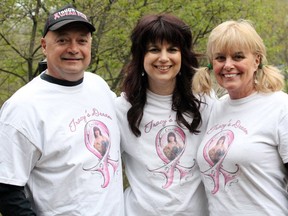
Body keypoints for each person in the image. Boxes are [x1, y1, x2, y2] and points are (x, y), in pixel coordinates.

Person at [0, 5, 124, 216]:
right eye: (63, 40)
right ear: (44, 46)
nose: (74, 48)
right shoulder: (22, 108)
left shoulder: (99, 86)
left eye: (82, 41)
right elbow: (6, 189)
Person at [115, 13, 214, 215]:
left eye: (172, 49)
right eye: (154, 50)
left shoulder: (205, 101)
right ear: (141, 56)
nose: (163, 58)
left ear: (183, 55)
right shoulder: (122, 108)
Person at [193, 19, 288, 215]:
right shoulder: (215, 109)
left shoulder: (280, 106)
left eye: (238, 57)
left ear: (256, 60)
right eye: (220, 58)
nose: (228, 65)